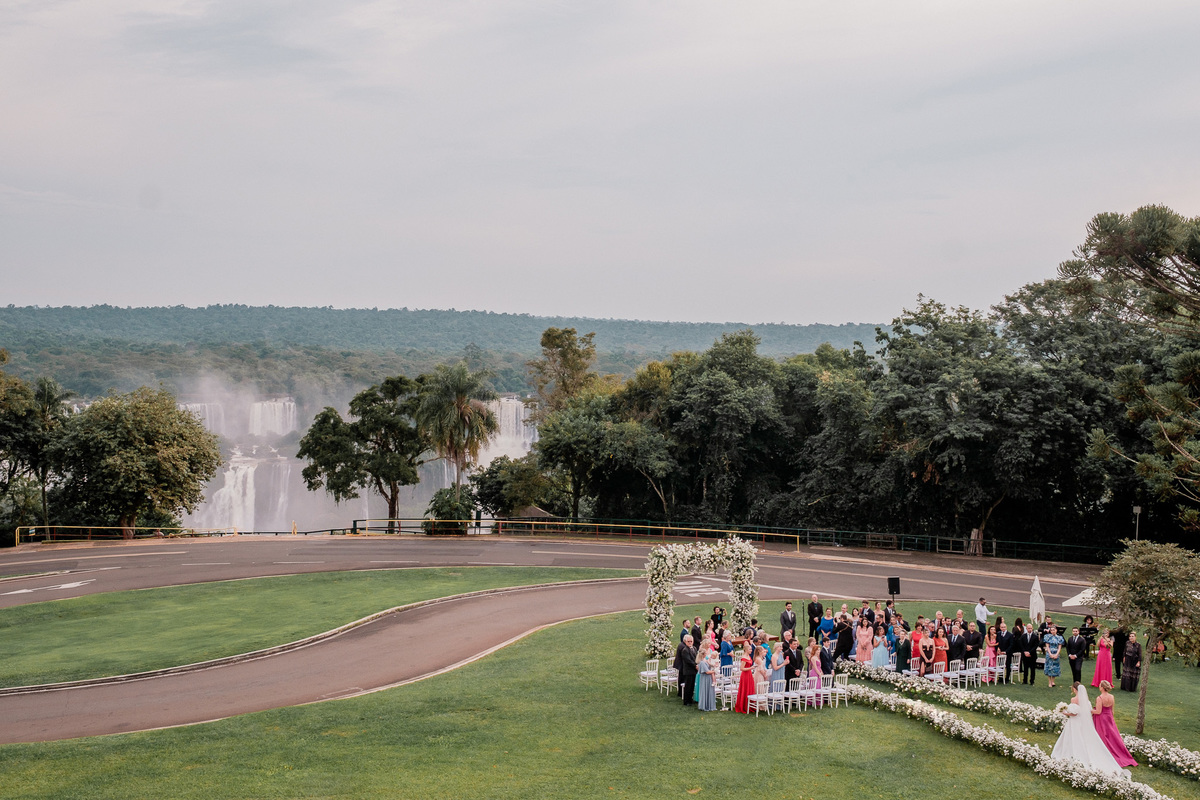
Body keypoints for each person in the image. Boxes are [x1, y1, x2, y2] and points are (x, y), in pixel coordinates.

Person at [1050, 682, 1131, 778]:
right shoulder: (1086, 701)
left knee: (1074, 738)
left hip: (1075, 722)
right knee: (1084, 739)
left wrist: (1065, 713)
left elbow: (1074, 713)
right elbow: (1088, 712)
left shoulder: (1074, 699)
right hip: (1084, 723)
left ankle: (1073, 755)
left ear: (1074, 689)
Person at [1092, 680, 1137, 767]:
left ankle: (1105, 751)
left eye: (1100, 685)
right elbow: (1112, 711)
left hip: (1101, 719)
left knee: (1103, 735)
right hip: (1109, 717)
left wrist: (1089, 710)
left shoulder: (1099, 698)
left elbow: (1098, 711)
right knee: (1112, 735)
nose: (1099, 687)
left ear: (1102, 687)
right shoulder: (1112, 697)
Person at [734, 641, 756, 714]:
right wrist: (751, 668)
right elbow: (741, 668)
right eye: (750, 649)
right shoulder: (744, 658)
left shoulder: (749, 656)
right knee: (745, 689)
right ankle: (744, 705)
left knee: (749, 688)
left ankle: (750, 705)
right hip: (745, 675)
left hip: (749, 674)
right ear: (746, 650)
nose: (751, 650)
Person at [677, 635, 698, 706]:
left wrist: (697, 663)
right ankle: (686, 701)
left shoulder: (694, 648)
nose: (690, 643)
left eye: (691, 641)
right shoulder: (685, 650)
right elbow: (688, 660)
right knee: (688, 686)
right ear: (685, 642)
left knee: (692, 686)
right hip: (688, 670)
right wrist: (695, 665)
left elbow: (696, 657)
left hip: (694, 670)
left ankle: (690, 699)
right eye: (688, 641)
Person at [806, 641, 824, 707]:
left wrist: (821, 672)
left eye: (819, 650)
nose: (819, 651)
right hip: (814, 673)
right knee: (815, 686)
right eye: (817, 650)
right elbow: (815, 667)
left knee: (819, 686)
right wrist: (819, 673)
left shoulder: (818, 658)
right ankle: (811, 701)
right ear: (815, 650)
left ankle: (818, 701)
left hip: (819, 672)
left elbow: (820, 666)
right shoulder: (813, 658)